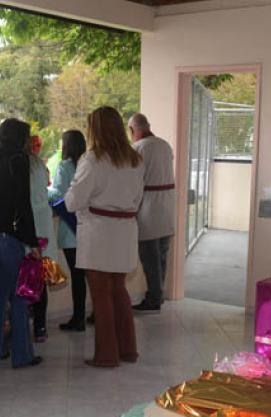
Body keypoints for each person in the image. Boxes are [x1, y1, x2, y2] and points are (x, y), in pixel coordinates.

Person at [65, 106, 145, 367]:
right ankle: (127, 350)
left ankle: (107, 355)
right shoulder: (134, 159)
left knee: (100, 293)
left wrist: (68, 196)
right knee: (118, 289)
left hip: (99, 231)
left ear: (95, 129)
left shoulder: (92, 159)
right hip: (125, 230)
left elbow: (75, 200)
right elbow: (137, 198)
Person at [0, 118, 42, 369]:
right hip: (7, 234)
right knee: (19, 295)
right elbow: (22, 204)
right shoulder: (18, 159)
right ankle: (22, 355)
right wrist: (32, 241)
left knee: (0, 293)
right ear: (20, 138)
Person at [129, 113, 176, 312]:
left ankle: (154, 297)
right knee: (162, 254)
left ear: (132, 130)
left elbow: (133, 180)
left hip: (148, 207)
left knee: (149, 256)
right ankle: (159, 293)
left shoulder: (137, 149)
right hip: (167, 205)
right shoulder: (165, 145)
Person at [48, 130, 87, 332]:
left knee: (77, 276)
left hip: (71, 230)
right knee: (91, 276)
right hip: (88, 228)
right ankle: (96, 313)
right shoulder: (88, 163)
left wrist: (43, 192)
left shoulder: (64, 166)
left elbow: (58, 194)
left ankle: (78, 317)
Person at [28, 136, 56, 343]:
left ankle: (27, 326)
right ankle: (40, 326)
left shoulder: (22, 163)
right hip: (42, 223)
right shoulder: (38, 165)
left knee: (25, 277)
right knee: (40, 278)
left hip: (28, 225)